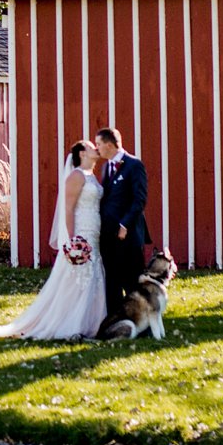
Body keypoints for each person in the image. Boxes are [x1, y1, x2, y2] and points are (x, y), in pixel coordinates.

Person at [0, 142, 107, 339]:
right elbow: (67, 208)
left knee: (93, 276)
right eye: (93, 147)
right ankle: (71, 323)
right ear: (82, 153)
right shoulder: (76, 176)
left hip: (94, 231)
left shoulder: (92, 176)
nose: (97, 149)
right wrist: (72, 238)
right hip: (81, 231)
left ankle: (92, 322)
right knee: (78, 278)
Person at [94, 127, 150, 319]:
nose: (97, 148)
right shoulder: (105, 167)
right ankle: (116, 322)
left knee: (132, 279)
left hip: (128, 234)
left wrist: (124, 225)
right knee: (112, 281)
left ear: (109, 145)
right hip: (108, 234)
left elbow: (139, 199)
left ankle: (141, 322)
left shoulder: (134, 165)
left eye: (99, 144)